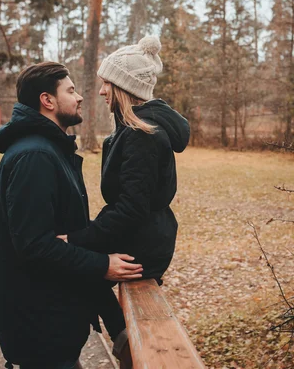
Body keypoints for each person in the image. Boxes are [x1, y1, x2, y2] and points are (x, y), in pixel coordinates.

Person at [0, 62, 143, 369]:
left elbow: (66, 231)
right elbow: (35, 246)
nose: (80, 97)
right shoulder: (35, 156)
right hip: (40, 329)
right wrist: (102, 265)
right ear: (47, 101)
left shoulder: (50, 150)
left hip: (52, 322)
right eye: (70, 90)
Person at [66, 35, 190, 361]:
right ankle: (122, 337)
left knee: (72, 261)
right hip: (145, 234)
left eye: (107, 83)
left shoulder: (141, 135)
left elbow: (131, 208)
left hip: (144, 243)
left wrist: (80, 238)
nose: (102, 90)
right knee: (75, 259)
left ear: (123, 87)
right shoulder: (132, 130)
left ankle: (124, 339)